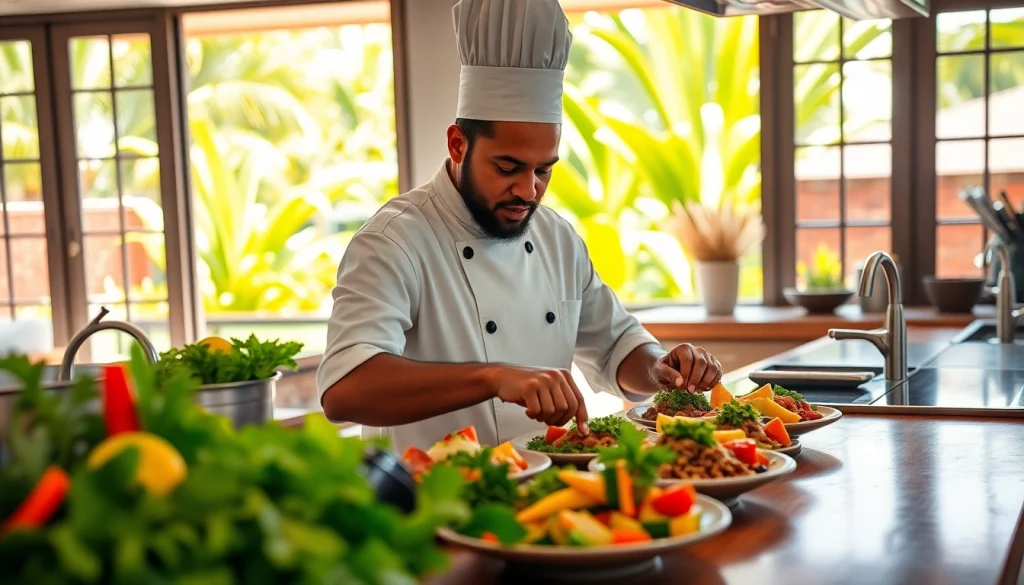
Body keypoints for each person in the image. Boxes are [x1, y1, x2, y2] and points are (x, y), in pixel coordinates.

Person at [317, 0, 724, 453]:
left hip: (547, 487)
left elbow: (615, 347)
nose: (528, 191)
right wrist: (493, 377)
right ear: (457, 144)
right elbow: (345, 389)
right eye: (508, 167)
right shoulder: (393, 241)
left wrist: (659, 367)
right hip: (434, 500)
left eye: (543, 170)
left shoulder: (556, 238)